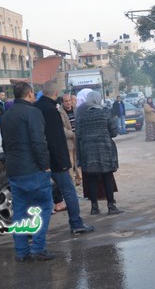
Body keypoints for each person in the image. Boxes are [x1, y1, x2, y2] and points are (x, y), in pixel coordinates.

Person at [0, 81, 54, 262]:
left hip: (14, 170)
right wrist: (45, 164)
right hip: (33, 169)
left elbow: (5, 144)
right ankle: (38, 248)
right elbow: (39, 141)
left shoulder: (6, 115)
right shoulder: (33, 112)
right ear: (29, 93)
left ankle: (21, 251)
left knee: (20, 211)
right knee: (44, 206)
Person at [34, 81, 94, 236]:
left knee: (39, 194)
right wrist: (64, 162)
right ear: (55, 94)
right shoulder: (52, 110)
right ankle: (76, 223)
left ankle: (35, 229)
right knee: (69, 190)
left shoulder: (35, 108)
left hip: (39, 159)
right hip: (55, 159)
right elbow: (56, 138)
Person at [75, 91, 123, 215]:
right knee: (107, 177)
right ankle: (111, 206)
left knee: (92, 178)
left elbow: (78, 134)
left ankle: (94, 207)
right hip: (104, 150)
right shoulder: (105, 112)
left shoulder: (82, 116)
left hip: (88, 151)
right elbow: (114, 132)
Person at [60, 93, 80, 185]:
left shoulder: (76, 110)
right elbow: (61, 128)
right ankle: (71, 181)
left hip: (78, 140)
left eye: (69, 100)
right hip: (68, 141)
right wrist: (72, 134)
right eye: (66, 101)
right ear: (62, 102)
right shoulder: (60, 113)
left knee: (78, 161)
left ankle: (79, 179)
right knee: (70, 162)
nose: (68, 103)